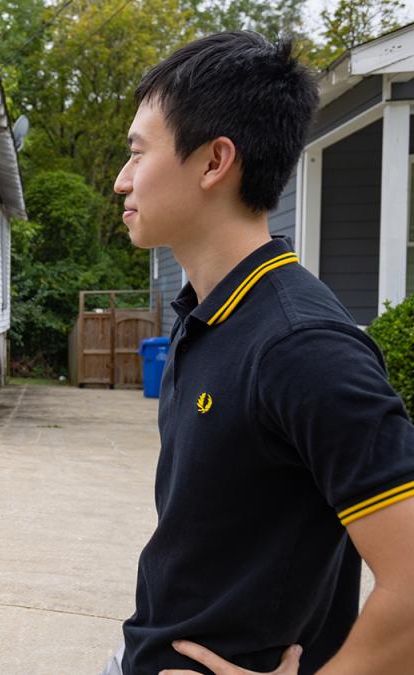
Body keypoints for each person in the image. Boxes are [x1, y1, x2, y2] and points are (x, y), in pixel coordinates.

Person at [104, 31, 414, 674]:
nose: (120, 180)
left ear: (215, 162)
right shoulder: (207, 316)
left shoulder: (303, 348)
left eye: (138, 154)